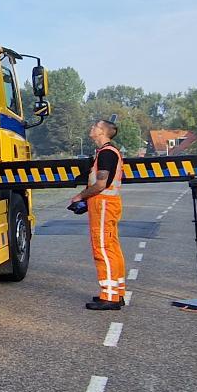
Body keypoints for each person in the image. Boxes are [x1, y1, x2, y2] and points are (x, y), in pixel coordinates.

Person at [69, 116, 126, 310]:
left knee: (102, 249)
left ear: (102, 131)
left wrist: (80, 196)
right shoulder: (106, 152)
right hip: (107, 204)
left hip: (103, 205)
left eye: (95, 126)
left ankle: (109, 298)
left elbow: (101, 183)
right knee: (112, 248)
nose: (91, 128)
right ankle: (116, 293)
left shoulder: (106, 153)